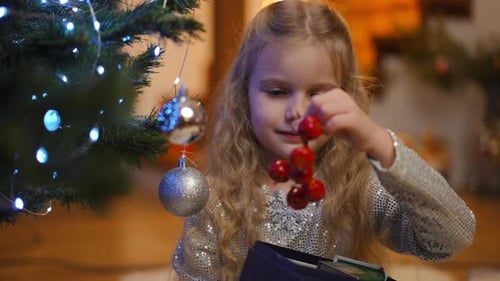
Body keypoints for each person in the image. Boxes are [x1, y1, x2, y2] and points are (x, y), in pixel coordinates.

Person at [172, 0, 476, 280]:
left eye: (318, 93)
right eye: (277, 92)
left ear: (347, 96)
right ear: (243, 96)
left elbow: (453, 236)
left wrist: (380, 143)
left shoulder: (358, 187)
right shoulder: (213, 198)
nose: (297, 112)